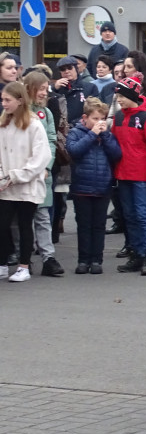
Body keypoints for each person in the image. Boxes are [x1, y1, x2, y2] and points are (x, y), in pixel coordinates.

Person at [110, 77, 146, 276]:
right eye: (117, 96)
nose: (119, 100)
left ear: (132, 96)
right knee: (129, 216)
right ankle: (137, 253)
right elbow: (114, 145)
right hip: (123, 175)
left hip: (141, 176)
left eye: (122, 96)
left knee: (142, 215)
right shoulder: (117, 117)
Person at [0, 82, 51, 283]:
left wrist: (16, 176)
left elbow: (40, 158)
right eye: (2, 100)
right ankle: (3, 264)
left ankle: (24, 266)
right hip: (6, 186)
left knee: (24, 225)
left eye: (7, 100)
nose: (4, 104)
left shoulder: (34, 125)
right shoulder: (2, 124)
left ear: (20, 101)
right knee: (2, 225)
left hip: (27, 185)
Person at [67, 97, 122, 274]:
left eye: (102, 119)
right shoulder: (76, 132)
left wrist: (105, 135)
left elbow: (116, 154)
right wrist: (92, 135)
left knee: (98, 225)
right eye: (95, 119)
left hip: (102, 186)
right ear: (85, 118)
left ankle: (96, 260)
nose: (99, 122)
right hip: (81, 187)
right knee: (84, 225)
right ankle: (83, 260)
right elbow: (74, 151)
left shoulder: (107, 135)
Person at [24, 71, 63, 278]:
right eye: (40, 88)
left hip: (42, 174)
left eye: (46, 88)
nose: (44, 93)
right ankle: (24, 257)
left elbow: (50, 140)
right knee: (22, 219)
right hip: (22, 172)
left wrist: (45, 166)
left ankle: (48, 257)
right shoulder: (20, 111)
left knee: (43, 217)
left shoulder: (46, 113)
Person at [54, 56, 96, 124]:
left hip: (82, 127)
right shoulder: (57, 88)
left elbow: (94, 110)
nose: (67, 71)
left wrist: (76, 123)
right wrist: (54, 89)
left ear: (76, 69)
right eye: (63, 69)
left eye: (70, 68)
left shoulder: (90, 87)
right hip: (61, 128)